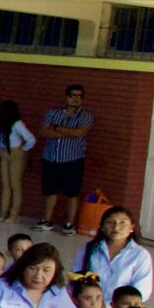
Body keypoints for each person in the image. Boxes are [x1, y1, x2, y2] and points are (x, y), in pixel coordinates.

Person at [38, 83, 94, 232]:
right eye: (72, 96)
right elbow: (43, 132)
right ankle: (47, 220)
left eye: (79, 96)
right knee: (50, 191)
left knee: (72, 192)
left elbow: (79, 133)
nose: (75, 99)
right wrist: (69, 132)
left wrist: (56, 128)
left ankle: (69, 224)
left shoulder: (86, 115)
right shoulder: (53, 113)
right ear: (66, 96)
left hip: (73, 160)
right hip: (51, 158)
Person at [0, 101, 35, 225]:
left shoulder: (17, 124)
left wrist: (24, 149)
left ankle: (14, 214)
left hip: (16, 153)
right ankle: (3, 213)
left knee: (15, 185)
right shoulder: (2, 124)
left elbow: (31, 139)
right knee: (6, 184)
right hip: (5, 152)